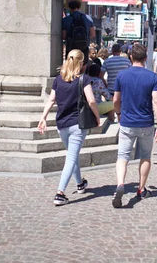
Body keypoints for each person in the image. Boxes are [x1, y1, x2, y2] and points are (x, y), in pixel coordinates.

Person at [38, 49, 100, 206]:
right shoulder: (83, 80)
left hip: (62, 124)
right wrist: (97, 117)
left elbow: (51, 100)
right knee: (71, 157)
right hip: (78, 124)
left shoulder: (59, 79)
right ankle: (60, 193)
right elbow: (92, 101)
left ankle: (80, 183)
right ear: (81, 63)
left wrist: (43, 117)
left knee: (73, 155)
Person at [112, 44, 157, 208]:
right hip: (146, 123)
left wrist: (118, 114)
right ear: (146, 58)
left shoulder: (122, 76)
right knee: (145, 156)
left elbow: (115, 100)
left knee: (122, 156)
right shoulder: (153, 77)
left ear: (130, 57)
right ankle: (141, 189)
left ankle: (120, 184)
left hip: (127, 122)